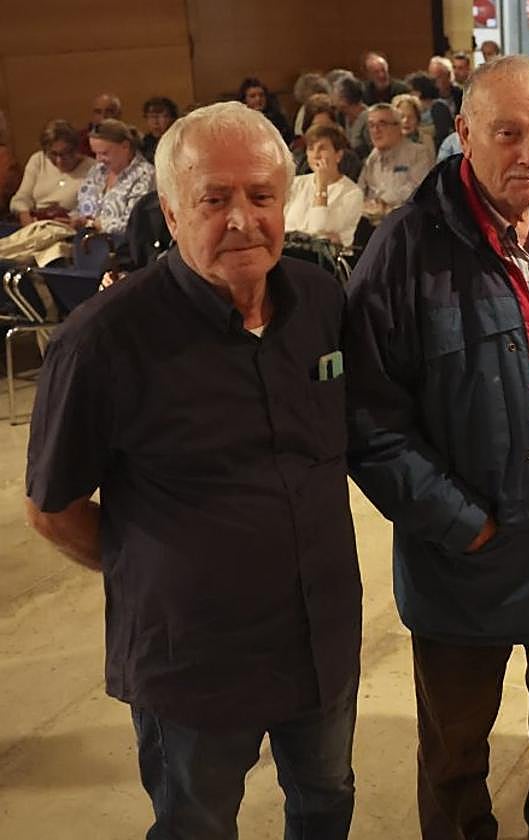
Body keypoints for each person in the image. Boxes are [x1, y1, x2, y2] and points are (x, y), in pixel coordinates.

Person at [24, 100, 362, 838]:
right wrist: (151, 570)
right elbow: (52, 506)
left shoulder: (320, 301)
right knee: (196, 824)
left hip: (321, 637)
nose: (242, 219)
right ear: (171, 216)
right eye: (214, 199)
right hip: (195, 661)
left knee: (326, 801)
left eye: (262, 196)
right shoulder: (104, 342)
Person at [344, 54, 529, 840]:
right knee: (455, 747)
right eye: (508, 134)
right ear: (464, 133)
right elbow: (368, 419)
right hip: (465, 560)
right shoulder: (405, 250)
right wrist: (459, 522)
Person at [284, 124, 364, 246]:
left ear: (338, 155)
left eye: (322, 148)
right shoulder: (296, 183)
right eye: (311, 148)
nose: (316, 155)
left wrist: (322, 185)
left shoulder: (352, 193)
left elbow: (318, 230)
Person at [75, 119, 155, 236]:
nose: (98, 159)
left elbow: (134, 224)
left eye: (104, 153)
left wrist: (93, 224)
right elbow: (81, 208)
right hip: (85, 244)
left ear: (125, 146)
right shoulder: (97, 171)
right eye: (95, 153)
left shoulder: (145, 175)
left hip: (121, 248)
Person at [10, 120, 96, 225]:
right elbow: (21, 198)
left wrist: (75, 221)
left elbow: (93, 210)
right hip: (36, 224)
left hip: (69, 227)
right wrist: (25, 216)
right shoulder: (38, 160)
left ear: (76, 149)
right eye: (53, 154)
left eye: (64, 154)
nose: (59, 161)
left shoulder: (93, 168)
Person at [357, 103, 434, 220]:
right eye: (371, 125)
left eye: (382, 124)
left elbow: (417, 192)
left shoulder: (419, 154)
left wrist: (382, 202)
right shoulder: (372, 158)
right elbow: (359, 193)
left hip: (406, 222)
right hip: (373, 222)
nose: (375, 130)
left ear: (398, 127)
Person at [239, 76, 293, 143]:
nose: (258, 99)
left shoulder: (278, 118)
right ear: (244, 100)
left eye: (261, 95)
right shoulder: (239, 122)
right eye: (253, 96)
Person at [332, 74, 372, 158]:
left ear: (344, 99)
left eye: (334, 94)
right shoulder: (343, 116)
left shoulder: (369, 119)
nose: (331, 98)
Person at [140, 96, 178, 161]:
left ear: (171, 118)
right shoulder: (144, 143)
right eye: (151, 117)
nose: (155, 122)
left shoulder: (177, 140)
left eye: (161, 116)